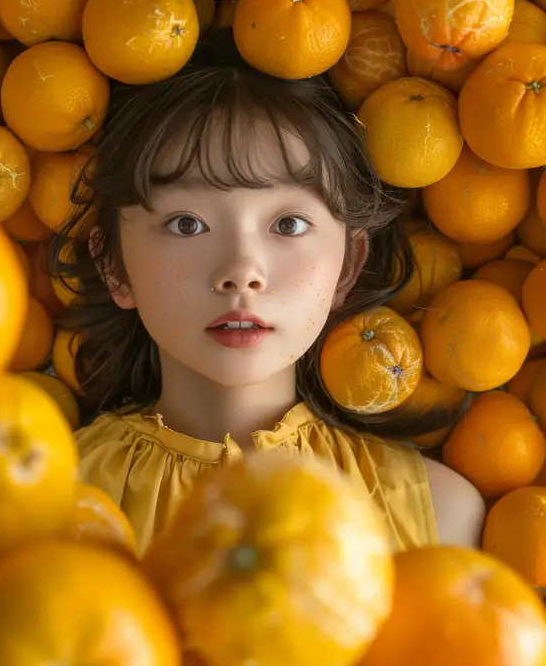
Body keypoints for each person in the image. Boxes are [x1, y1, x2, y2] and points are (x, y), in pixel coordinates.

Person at [51, 30, 485, 558]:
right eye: (187, 224)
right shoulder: (42, 509)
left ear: (348, 264)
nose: (241, 271)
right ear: (114, 264)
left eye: (289, 224)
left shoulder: (438, 520)